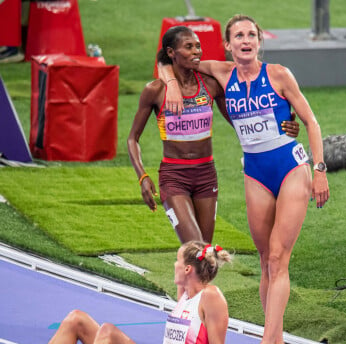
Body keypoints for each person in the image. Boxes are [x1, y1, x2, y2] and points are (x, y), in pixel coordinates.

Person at [159, 14, 330, 344]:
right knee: (267, 259)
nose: (246, 40)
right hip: (254, 172)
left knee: (280, 257)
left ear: (259, 41)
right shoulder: (221, 73)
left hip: (291, 167)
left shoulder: (279, 74)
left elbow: (311, 122)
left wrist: (319, 169)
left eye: (251, 34)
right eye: (239, 36)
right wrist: (169, 83)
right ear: (228, 45)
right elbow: (168, 57)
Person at [128, 26, 300, 300]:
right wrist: (142, 176)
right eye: (189, 47)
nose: (196, 52)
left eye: (198, 46)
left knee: (205, 257)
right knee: (195, 249)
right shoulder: (155, 90)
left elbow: (241, 118)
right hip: (174, 177)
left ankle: (191, 311)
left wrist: (280, 128)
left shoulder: (210, 85)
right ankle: (187, 313)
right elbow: (132, 139)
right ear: (172, 53)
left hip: (206, 175)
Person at [13, 240, 235, 344]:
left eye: (176, 261)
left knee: (108, 332)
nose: (173, 265)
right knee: (76, 319)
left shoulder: (211, 296)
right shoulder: (185, 297)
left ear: (187, 269)